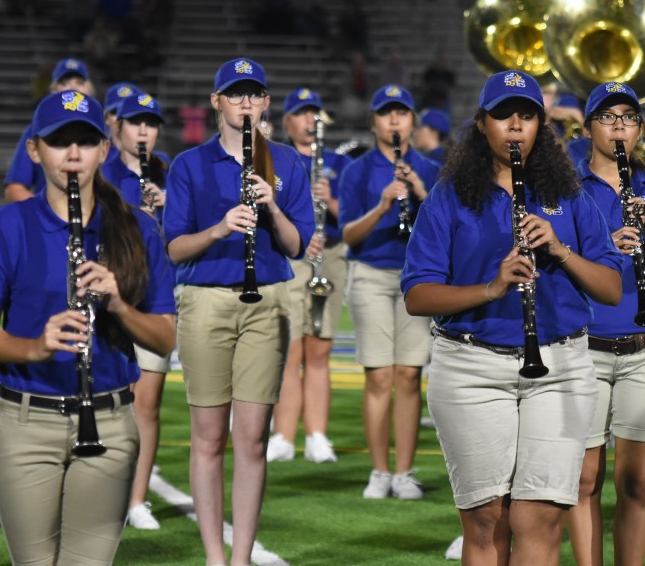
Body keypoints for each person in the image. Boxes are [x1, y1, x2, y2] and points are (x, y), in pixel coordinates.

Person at [402, 69, 624, 564]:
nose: (516, 125)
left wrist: (561, 250)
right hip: (470, 368)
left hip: (560, 368)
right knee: (486, 522)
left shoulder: (570, 197)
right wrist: (492, 287)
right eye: (503, 115)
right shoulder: (450, 195)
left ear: (541, 126)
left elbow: (610, 290)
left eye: (527, 115)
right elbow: (418, 295)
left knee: (539, 520)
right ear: (482, 125)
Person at [0, 90, 176, 565]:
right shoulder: (7, 226)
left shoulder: (138, 229)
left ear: (103, 149)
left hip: (107, 422)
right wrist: (35, 347)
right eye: (59, 142)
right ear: (34, 150)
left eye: (85, 142)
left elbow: (166, 339)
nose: (73, 154)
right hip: (26, 423)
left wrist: (121, 307)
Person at [162, 58, 315, 566]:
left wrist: (271, 207)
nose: (245, 103)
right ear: (217, 102)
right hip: (204, 299)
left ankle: (242, 556)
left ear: (267, 103)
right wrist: (220, 229)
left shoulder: (288, 163)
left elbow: (296, 248)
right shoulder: (188, 164)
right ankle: (213, 556)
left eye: (254, 95)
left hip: (267, 298)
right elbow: (174, 249)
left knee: (250, 441)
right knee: (209, 438)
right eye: (235, 94)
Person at [566, 82, 645, 565]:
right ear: (587, 127)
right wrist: (601, 249)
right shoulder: (569, 188)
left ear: (641, 129)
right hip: (585, 347)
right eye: (607, 116)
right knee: (583, 480)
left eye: (629, 117)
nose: (619, 125)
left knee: (637, 482)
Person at [339, 84, 441, 500]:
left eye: (402, 113)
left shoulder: (431, 170)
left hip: (416, 277)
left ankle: (404, 472)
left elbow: (448, 229)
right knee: (379, 376)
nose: (395, 121)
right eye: (386, 114)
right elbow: (347, 234)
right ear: (374, 122)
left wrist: (420, 192)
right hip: (370, 275)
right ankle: (379, 470)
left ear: (413, 121)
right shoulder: (356, 171)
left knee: (409, 375)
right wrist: (383, 206)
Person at [268, 87, 353, 463]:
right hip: (291, 258)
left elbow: (353, 219)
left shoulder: (338, 161)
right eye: (301, 113)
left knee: (320, 349)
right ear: (287, 121)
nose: (309, 120)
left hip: (329, 257)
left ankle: (317, 435)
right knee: (289, 350)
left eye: (314, 113)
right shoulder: (277, 158)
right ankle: (284, 436)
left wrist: (330, 198)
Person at [100, 92, 172, 530]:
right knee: (110, 401)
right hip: (110, 299)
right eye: (134, 123)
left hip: (154, 299)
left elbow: (186, 233)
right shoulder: (101, 172)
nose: (143, 131)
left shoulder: (167, 173)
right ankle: (105, 489)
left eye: (150, 123)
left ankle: (137, 499)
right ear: (117, 127)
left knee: (147, 404)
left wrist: (165, 209)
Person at [5, 58, 96, 202]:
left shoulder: (107, 130)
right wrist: (47, 216)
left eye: (79, 82)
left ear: (90, 90)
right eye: (64, 83)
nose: (73, 88)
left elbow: (131, 182)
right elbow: (15, 188)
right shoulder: (36, 130)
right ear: (53, 91)